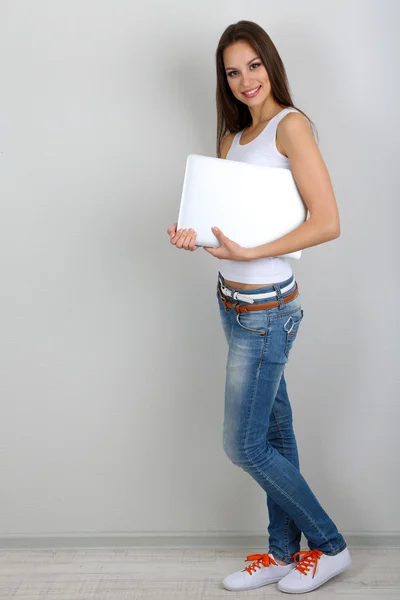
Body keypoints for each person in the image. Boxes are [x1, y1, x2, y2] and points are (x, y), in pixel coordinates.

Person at [167, 20, 351, 595]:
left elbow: (327, 223)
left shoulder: (291, 128)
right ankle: (281, 552)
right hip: (231, 301)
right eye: (232, 71)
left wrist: (253, 251)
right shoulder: (231, 139)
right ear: (223, 80)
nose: (246, 79)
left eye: (254, 65)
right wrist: (196, 239)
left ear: (270, 64)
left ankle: (329, 546)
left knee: (243, 445)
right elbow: (232, 234)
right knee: (275, 434)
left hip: (268, 311)